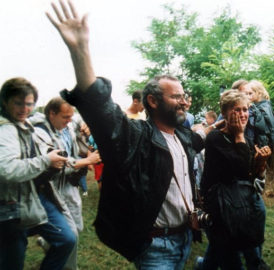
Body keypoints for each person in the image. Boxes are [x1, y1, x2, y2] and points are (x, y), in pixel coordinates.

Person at [47, 2, 217, 268]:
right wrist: (80, 51)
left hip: (184, 239)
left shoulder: (183, 139)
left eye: (184, 97)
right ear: (152, 101)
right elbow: (103, 112)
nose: (185, 102)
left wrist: (222, 125)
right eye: (177, 97)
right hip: (155, 248)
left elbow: (200, 137)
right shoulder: (136, 137)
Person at [0, 77, 75, 270]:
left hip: (32, 196)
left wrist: (51, 159)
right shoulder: (6, 130)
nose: (24, 108)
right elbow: (8, 170)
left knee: (66, 239)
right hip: (10, 207)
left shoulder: (24, 124)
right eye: (18, 103)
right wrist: (45, 161)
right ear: (5, 101)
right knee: (12, 259)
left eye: (29, 103)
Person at [196, 89, 271, 270]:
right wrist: (239, 136)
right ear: (224, 113)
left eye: (245, 109)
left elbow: (250, 175)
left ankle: (203, 266)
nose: (242, 114)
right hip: (221, 205)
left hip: (240, 202)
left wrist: (260, 164)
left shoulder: (244, 136)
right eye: (236, 110)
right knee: (229, 254)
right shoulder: (216, 138)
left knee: (220, 248)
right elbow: (240, 168)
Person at [30, 97, 101, 270]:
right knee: (71, 235)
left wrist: (86, 124)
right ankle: (70, 267)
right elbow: (55, 163)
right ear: (51, 113)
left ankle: (49, 242)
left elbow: (80, 120)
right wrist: (86, 161)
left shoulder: (67, 125)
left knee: (77, 226)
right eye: (65, 117)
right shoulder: (39, 133)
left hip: (70, 185)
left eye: (71, 116)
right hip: (51, 189)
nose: (69, 120)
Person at [244, 80, 274, 149]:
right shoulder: (264, 105)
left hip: (261, 144)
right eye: (246, 94)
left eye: (250, 93)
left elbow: (263, 126)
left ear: (259, 93)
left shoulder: (262, 107)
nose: (247, 96)